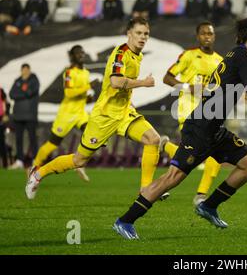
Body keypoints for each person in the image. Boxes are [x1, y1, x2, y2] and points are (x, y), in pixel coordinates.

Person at [112, 17, 247, 240]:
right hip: (200, 128)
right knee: (173, 177)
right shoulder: (244, 56)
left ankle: (208, 206)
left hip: (214, 128)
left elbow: (239, 88)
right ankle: (125, 220)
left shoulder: (235, 54)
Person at [25, 17, 168, 202]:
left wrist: (129, 101)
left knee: (153, 139)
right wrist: (143, 83)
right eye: (138, 33)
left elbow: (116, 86)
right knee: (79, 161)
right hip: (104, 116)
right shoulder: (120, 54)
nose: (142, 37)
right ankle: (37, 174)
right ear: (129, 34)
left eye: (146, 34)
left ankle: (146, 189)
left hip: (123, 113)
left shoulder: (137, 55)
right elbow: (116, 82)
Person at [162, 21, 223, 205]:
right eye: (203, 33)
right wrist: (188, 87)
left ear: (214, 36)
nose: (207, 36)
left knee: (212, 156)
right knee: (201, 154)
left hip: (208, 112)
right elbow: (167, 78)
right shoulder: (189, 55)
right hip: (188, 110)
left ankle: (201, 195)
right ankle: (201, 196)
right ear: (198, 36)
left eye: (210, 33)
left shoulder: (220, 61)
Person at [32, 45, 94, 182]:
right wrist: (88, 87)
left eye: (82, 52)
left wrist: (87, 98)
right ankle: (34, 166)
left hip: (80, 113)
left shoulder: (86, 72)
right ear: (72, 56)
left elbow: (81, 93)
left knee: (91, 134)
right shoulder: (69, 72)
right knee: (53, 143)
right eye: (78, 53)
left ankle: (80, 163)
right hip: (66, 114)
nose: (81, 54)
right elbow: (69, 93)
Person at [9, 63, 40, 169]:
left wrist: (21, 93)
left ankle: (36, 159)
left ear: (29, 70)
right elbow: (12, 94)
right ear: (21, 70)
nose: (25, 71)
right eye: (23, 69)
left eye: (27, 69)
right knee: (18, 139)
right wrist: (24, 93)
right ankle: (19, 160)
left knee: (32, 138)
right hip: (18, 116)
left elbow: (30, 92)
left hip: (30, 115)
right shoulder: (17, 81)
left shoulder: (34, 80)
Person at [0, 85, 11, 168]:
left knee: (2, 142)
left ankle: (5, 165)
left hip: (1, 119)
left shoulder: (2, 91)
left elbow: (7, 103)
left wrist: (6, 114)